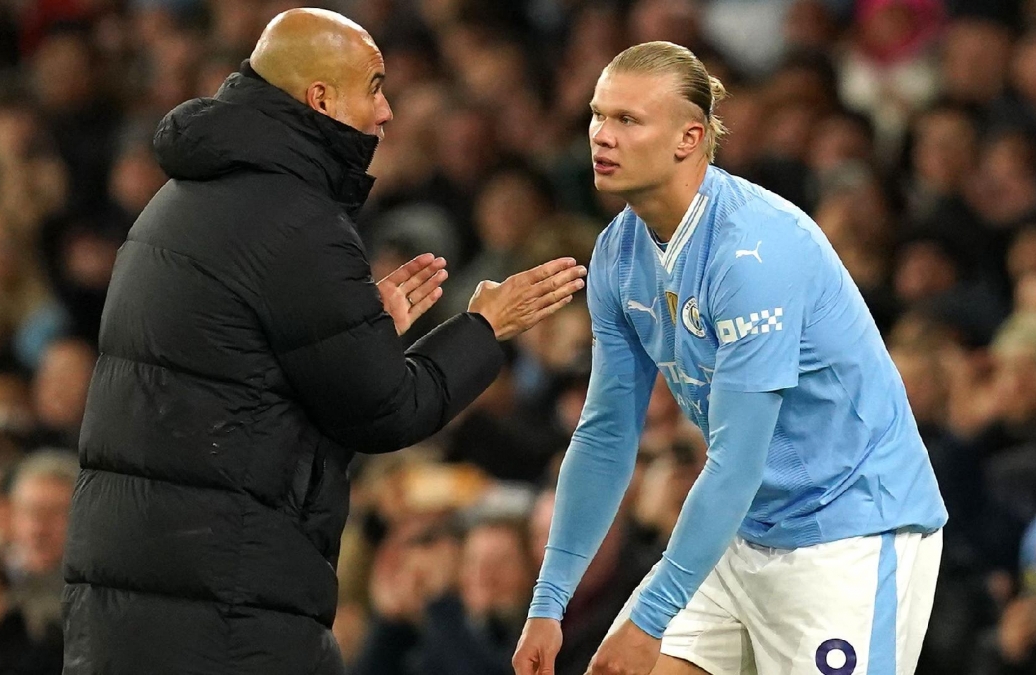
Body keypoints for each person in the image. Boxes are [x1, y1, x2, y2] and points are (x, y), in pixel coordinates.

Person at [60, 8, 587, 675]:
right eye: (373, 86)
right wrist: (485, 327)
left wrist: (363, 335)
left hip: (144, 598)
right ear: (321, 99)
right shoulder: (294, 219)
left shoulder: (183, 200)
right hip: (223, 606)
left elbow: (245, 376)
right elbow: (386, 408)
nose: (388, 110)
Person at [513, 41, 948, 675]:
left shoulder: (753, 254)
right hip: (741, 528)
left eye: (628, 120)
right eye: (597, 115)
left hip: (848, 531)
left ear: (689, 137)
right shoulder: (618, 254)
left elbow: (737, 460)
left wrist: (650, 616)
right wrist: (548, 603)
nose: (601, 137)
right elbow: (606, 433)